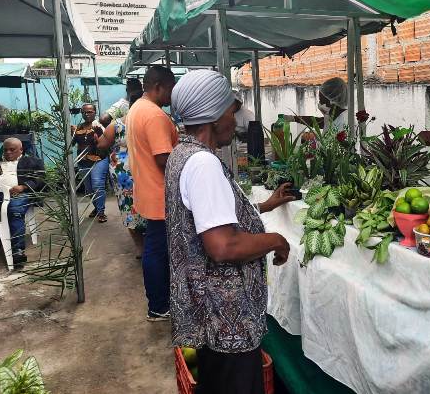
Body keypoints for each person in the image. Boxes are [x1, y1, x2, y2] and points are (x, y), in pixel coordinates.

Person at [166, 70, 294, 394]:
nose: (233, 120)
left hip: (207, 313)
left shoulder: (182, 154)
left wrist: (263, 207)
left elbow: (210, 217)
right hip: (226, 320)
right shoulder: (204, 164)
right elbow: (223, 245)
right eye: (230, 111)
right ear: (212, 115)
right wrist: (276, 240)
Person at [126, 66, 177, 321]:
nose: (172, 94)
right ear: (158, 87)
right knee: (157, 251)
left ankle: (159, 302)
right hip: (160, 195)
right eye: (171, 88)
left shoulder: (136, 109)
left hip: (147, 190)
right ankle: (158, 306)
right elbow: (163, 158)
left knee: (155, 249)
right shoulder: (154, 115)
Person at [97, 91, 145, 257]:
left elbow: (102, 144)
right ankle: (154, 240)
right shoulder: (151, 121)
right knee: (151, 204)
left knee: (128, 205)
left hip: (123, 172)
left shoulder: (117, 125)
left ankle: (141, 247)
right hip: (146, 168)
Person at [0, 138, 45, 268]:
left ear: (21, 150)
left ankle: (17, 250)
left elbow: (41, 180)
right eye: (5, 150)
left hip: (20, 194)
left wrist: (23, 187)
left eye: (12, 149)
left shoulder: (33, 162)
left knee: (14, 208)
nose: (8, 152)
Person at [73, 103, 109, 223]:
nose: (87, 114)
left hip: (99, 159)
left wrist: (97, 139)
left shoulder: (100, 126)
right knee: (89, 189)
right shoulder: (78, 128)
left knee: (97, 184)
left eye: (90, 112)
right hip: (83, 162)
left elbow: (106, 143)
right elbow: (72, 143)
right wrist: (69, 133)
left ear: (95, 112)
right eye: (84, 112)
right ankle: (97, 207)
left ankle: (101, 212)